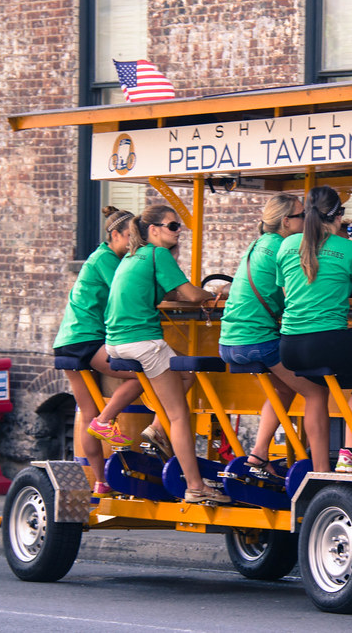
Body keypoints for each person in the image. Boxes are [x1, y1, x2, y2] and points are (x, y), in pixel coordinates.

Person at [104, 205, 227, 504]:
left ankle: (157, 429)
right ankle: (195, 487)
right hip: (142, 342)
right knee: (180, 415)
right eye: (173, 226)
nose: (178, 230)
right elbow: (190, 294)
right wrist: (221, 294)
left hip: (116, 342)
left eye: (178, 226)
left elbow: (170, 294)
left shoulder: (132, 257)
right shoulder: (158, 254)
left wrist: (196, 294)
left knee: (185, 373)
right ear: (153, 230)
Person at [276, 186, 352, 474]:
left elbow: (285, 290)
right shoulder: (349, 249)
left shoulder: (287, 245)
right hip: (324, 343)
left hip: (290, 348)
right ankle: (351, 451)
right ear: (340, 216)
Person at [218, 194, 333, 473]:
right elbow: (295, 296)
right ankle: (321, 472)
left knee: (284, 387)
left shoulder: (258, 244)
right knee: (316, 393)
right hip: (258, 339)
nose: (307, 220)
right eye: (302, 215)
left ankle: (257, 455)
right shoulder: (285, 248)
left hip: (229, 341)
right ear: (285, 221)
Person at [53, 206, 145, 497]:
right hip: (87, 339)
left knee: (87, 413)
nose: (133, 246)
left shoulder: (102, 258)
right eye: (129, 239)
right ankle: (105, 422)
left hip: (68, 340)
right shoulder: (107, 259)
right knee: (141, 376)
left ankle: (100, 481)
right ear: (114, 235)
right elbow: (129, 291)